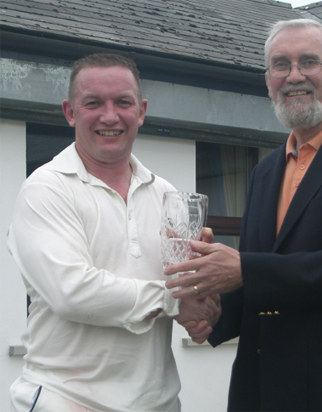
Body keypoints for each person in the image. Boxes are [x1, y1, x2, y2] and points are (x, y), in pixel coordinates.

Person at [164, 19, 322, 412]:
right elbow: (262, 278)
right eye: (280, 64)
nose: (293, 75)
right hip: (261, 385)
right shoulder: (265, 171)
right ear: (268, 82)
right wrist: (212, 312)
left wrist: (242, 268)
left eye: (308, 62)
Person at [7, 53, 220, 412]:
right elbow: (71, 292)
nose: (110, 116)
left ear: (141, 110)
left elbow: (182, 286)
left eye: (123, 102)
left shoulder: (167, 195)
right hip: (66, 401)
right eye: (93, 103)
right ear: (70, 112)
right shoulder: (45, 189)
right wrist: (174, 301)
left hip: (159, 403)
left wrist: (203, 303)